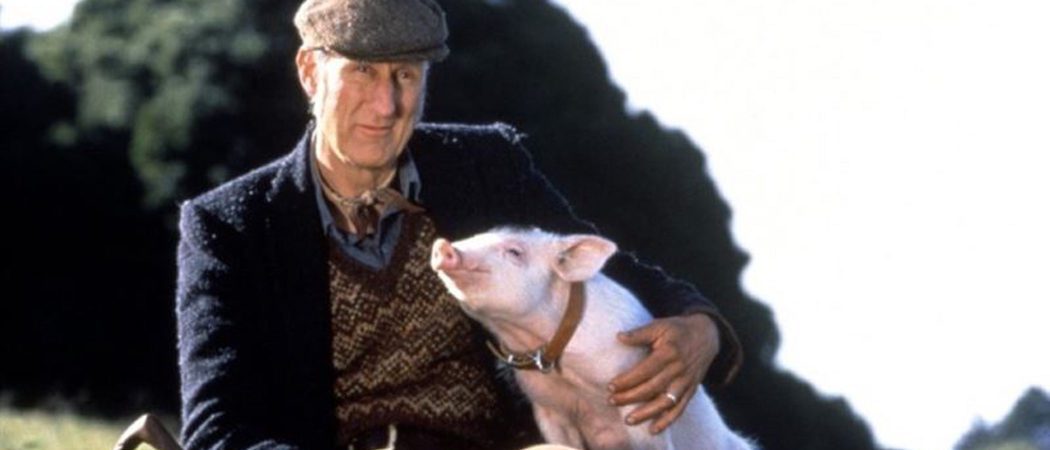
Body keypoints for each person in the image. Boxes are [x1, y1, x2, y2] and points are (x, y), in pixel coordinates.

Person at [175, 0, 743, 449]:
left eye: (405, 75)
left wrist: (703, 328)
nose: (386, 106)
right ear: (309, 71)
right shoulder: (228, 227)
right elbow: (217, 428)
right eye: (362, 71)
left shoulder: (484, 165)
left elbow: (598, 270)